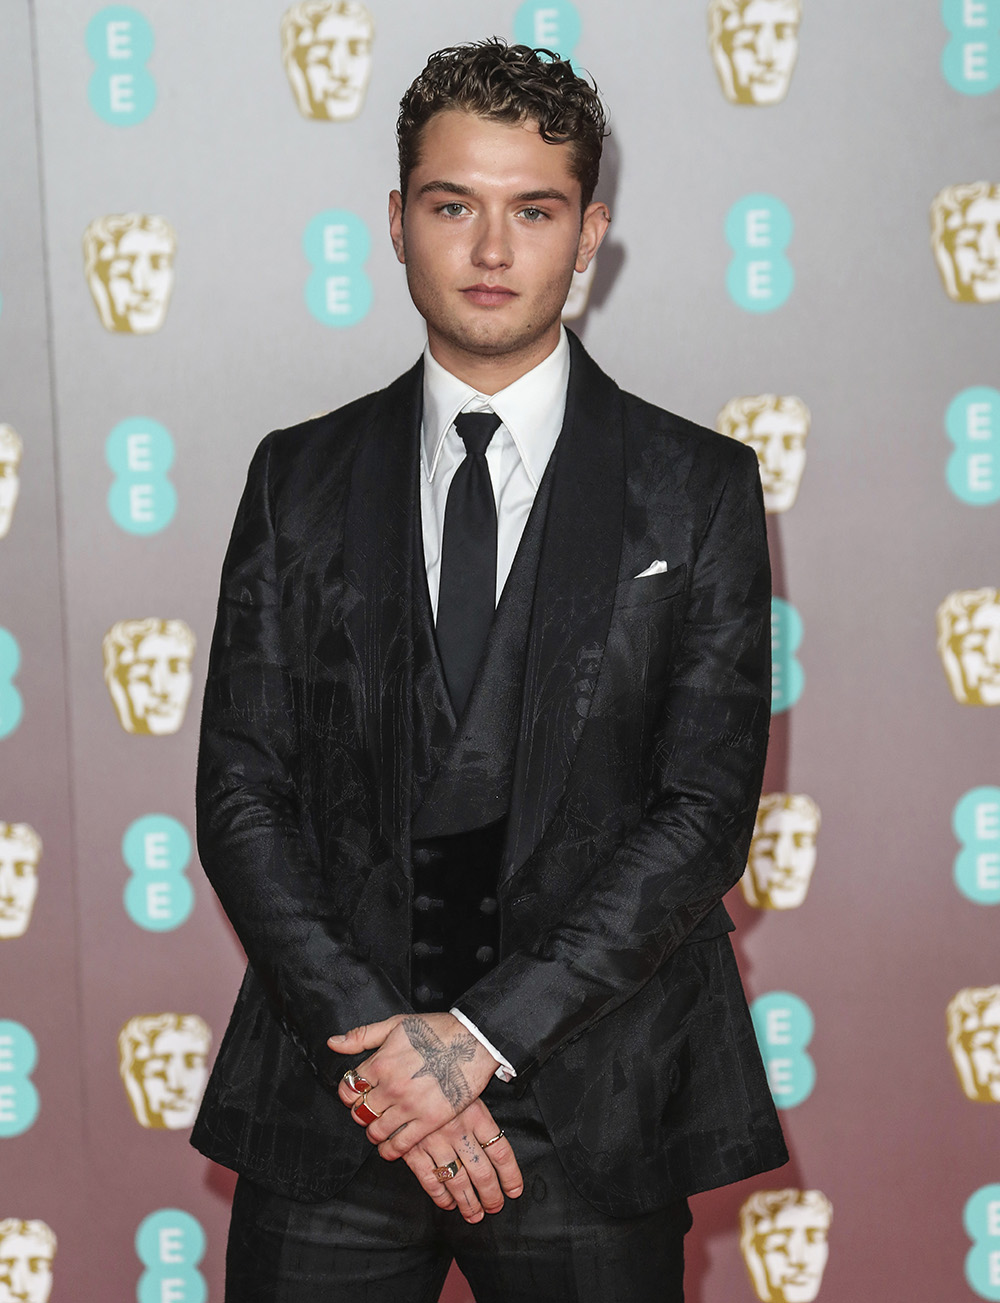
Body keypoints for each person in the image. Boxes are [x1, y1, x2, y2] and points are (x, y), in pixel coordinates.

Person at [192, 38, 787, 1302]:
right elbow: (242, 792)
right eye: (453, 205)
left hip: (593, 1102)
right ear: (396, 223)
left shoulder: (697, 490)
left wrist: (474, 1042)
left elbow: (701, 816)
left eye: (536, 209)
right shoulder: (293, 477)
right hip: (336, 1095)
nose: (492, 249)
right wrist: (388, 1059)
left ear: (591, 235)